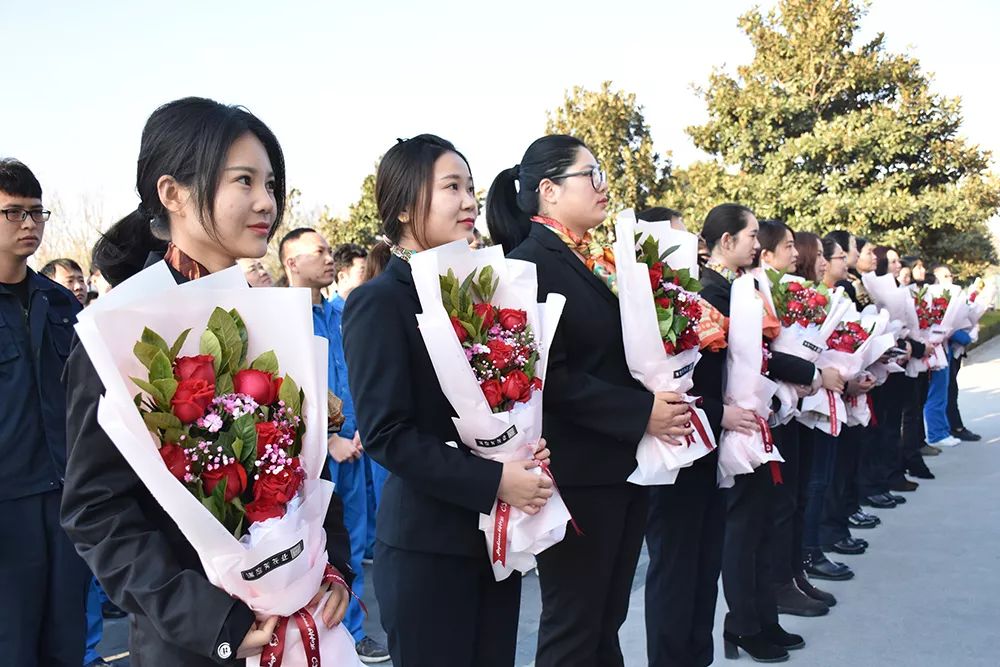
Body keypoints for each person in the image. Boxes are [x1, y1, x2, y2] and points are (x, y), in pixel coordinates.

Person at [60, 97, 354, 667]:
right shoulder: (121, 328)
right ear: (172, 194)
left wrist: (333, 565)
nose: (267, 201)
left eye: (271, 182)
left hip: (305, 617)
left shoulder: (266, 314)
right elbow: (97, 511)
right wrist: (211, 620)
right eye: (243, 180)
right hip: (192, 645)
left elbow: (305, 467)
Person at [344, 134, 554, 666]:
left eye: (471, 188)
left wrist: (523, 451)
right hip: (428, 548)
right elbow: (387, 434)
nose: (468, 202)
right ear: (405, 204)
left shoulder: (480, 293)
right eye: (452, 188)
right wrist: (494, 479)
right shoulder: (379, 302)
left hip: (494, 542)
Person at [487, 134, 692, 667]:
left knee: (607, 618)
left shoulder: (604, 259)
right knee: (574, 624)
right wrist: (640, 412)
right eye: (591, 174)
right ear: (549, 191)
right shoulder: (526, 265)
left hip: (622, 465)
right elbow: (547, 376)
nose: (604, 185)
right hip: (577, 471)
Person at [704, 209, 818, 662]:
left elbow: (762, 352)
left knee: (761, 524)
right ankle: (743, 625)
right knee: (742, 528)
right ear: (727, 240)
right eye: (752, 236)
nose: (758, 244)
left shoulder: (741, 287)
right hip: (733, 423)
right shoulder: (708, 290)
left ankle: (764, 618)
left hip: (756, 415)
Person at [279, 228, 388, 663]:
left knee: (355, 545)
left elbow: (358, 373)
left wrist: (359, 429)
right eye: (318, 251)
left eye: (328, 250)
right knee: (319, 545)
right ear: (291, 263)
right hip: (315, 454)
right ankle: (329, 631)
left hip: (359, 444)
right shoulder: (281, 317)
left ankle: (354, 630)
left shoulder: (343, 310)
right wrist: (328, 438)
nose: (329, 258)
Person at [0, 158, 90, 667]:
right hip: (6, 506)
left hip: (66, 500)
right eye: (13, 213)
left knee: (66, 640)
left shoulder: (61, 304)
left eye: (37, 212)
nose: (29, 224)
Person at [756, 221, 832, 619]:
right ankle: (780, 583)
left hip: (794, 407)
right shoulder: (758, 292)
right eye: (792, 247)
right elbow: (761, 353)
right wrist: (808, 374)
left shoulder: (791, 294)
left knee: (796, 497)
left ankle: (793, 574)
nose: (801, 256)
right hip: (772, 411)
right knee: (780, 504)